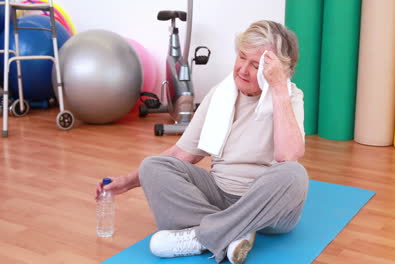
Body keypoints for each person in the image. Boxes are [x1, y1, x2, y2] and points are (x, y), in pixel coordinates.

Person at [95, 20, 308, 264]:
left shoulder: (289, 96)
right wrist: (127, 182)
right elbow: (181, 154)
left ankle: (203, 235)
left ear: (275, 71)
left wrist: (279, 88)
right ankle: (235, 231)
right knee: (153, 166)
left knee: (293, 174)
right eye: (241, 57)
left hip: (267, 205)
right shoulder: (221, 94)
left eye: (256, 65)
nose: (242, 70)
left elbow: (287, 156)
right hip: (219, 195)